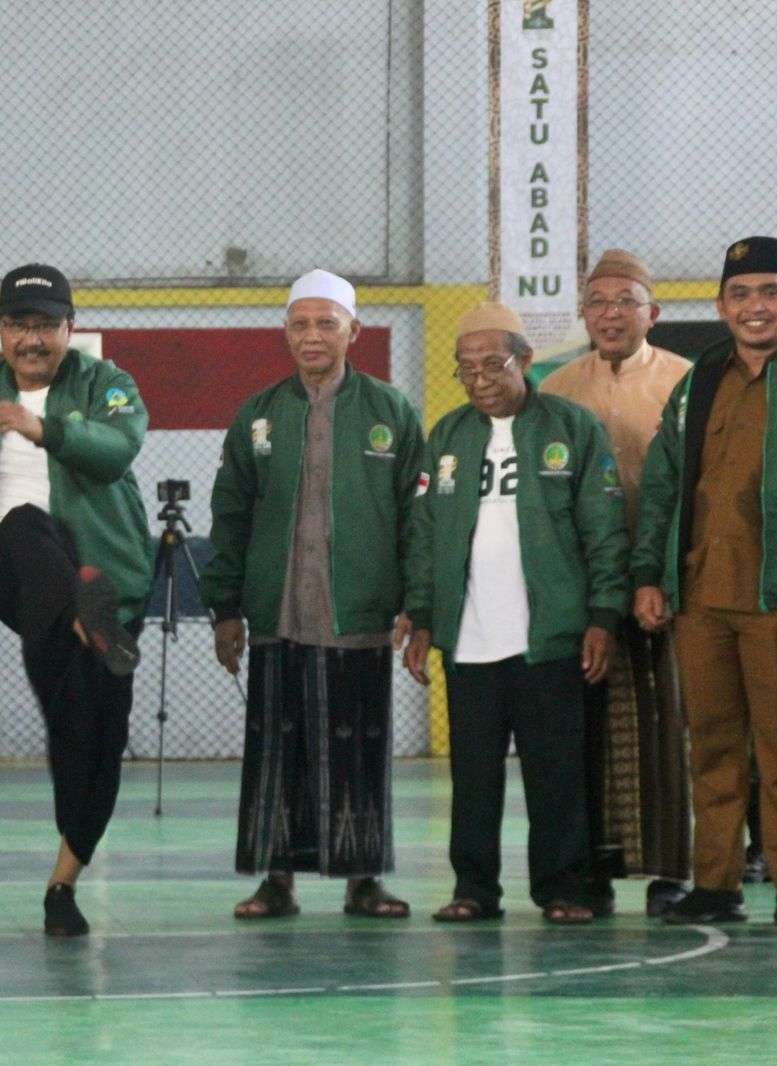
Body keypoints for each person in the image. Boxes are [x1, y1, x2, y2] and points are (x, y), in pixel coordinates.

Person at [0, 263, 152, 937]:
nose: (32, 339)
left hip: (104, 575)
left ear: (70, 329)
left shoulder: (107, 385)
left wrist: (44, 429)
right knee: (25, 522)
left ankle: (63, 885)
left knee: (89, 740)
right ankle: (86, 613)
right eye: (19, 325)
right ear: (0, 330)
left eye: (46, 326)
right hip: (15, 574)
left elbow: (119, 448)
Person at [202, 269, 423, 920]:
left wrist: (416, 603)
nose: (313, 335)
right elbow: (231, 514)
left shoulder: (390, 411)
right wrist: (225, 608)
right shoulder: (260, 415)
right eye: (300, 323)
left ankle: (363, 879)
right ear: (285, 333)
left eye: (327, 322)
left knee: (360, 743)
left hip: (358, 613)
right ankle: (277, 880)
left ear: (354, 330)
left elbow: (417, 518)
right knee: (277, 750)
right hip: (277, 614)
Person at [404, 301, 626, 925]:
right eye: (465, 368)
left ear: (525, 362)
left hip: (550, 636)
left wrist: (603, 615)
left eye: (492, 365)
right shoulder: (447, 436)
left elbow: (604, 527)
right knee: (472, 779)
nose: (478, 379)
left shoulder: (571, 428)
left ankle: (564, 888)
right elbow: (423, 531)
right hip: (469, 640)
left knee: (556, 773)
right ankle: (474, 888)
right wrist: (422, 616)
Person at [633, 236, 777, 929]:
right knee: (712, 742)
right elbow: (664, 483)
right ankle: (717, 883)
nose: (754, 307)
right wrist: (649, 575)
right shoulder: (698, 380)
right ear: (720, 305)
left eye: (770, 292)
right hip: (700, 597)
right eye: (740, 294)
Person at [541, 250, 693, 917]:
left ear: (651, 313)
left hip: (666, 582)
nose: (610, 314)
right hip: (586, 590)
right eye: (597, 302)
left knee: (667, 724)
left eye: (625, 301)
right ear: (584, 312)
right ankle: (593, 868)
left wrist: (659, 574)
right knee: (588, 731)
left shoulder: (688, 382)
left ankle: (672, 872)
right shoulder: (556, 389)